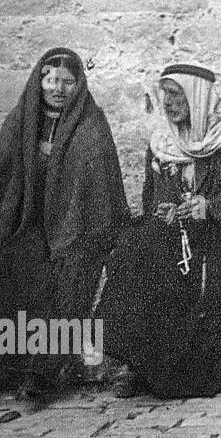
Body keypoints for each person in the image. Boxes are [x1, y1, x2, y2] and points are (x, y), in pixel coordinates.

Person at [98, 63, 221, 399]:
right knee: (137, 255)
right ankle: (137, 363)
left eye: (176, 95)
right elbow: (153, 194)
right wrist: (168, 208)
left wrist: (209, 206)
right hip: (179, 233)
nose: (168, 103)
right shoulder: (162, 141)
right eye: (165, 95)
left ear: (196, 95)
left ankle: (184, 371)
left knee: (204, 275)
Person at [0, 48, 128, 415]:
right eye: (50, 79)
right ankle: (12, 368)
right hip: (28, 222)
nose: (57, 88)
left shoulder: (92, 126)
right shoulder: (20, 123)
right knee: (15, 262)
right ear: (39, 82)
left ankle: (45, 372)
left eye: (67, 82)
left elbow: (101, 194)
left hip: (76, 230)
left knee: (72, 273)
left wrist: (86, 235)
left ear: (78, 85)